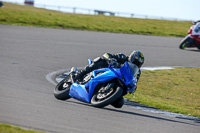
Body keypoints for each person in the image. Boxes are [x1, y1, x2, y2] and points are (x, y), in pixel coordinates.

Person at [71, 50, 144, 90]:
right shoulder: (122, 57)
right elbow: (106, 54)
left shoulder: (138, 72)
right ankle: (79, 74)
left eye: (138, 64)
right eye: (135, 61)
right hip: (108, 70)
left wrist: (133, 87)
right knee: (100, 61)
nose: (135, 64)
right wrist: (111, 59)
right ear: (131, 57)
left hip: (120, 80)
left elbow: (134, 81)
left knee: (119, 104)